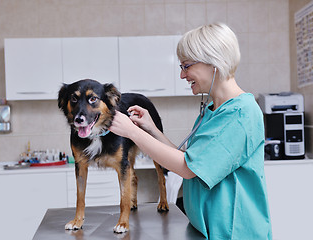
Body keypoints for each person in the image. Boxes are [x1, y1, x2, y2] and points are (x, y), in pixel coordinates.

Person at [109, 23, 272, 239]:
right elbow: (190, 160)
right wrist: (151, 129)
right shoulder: (213, 110)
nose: (182, 75)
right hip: (206, 230)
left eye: (186, 66)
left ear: (214, 62)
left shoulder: (241, 114)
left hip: (234, 233)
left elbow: (188, 169)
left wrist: (132, 132)